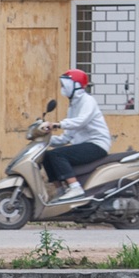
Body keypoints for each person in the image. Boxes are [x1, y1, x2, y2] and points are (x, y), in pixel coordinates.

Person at [41, 68, 111, 200]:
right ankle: (61, 191)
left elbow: (81, 121)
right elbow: (67, 137)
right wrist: (45, 140)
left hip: (96, 144)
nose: (62, 88)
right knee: (47, 155)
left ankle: (75, 188)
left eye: (64, 85)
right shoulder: (73, 106)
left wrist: (57, 124)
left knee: (57, 155)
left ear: (75, 85)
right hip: (83, 144)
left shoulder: (88, 101)